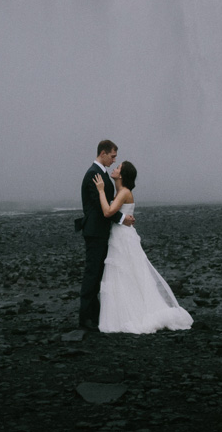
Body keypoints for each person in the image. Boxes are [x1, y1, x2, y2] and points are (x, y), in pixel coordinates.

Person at [92, 159, 193, 333]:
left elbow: (108, 212)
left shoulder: (124, 192)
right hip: (120, 235)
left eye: (118, 168)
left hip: (123, 238)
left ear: (122, 175)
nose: (114, 169)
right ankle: (123, 312)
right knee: (125, 273)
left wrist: (100, 190)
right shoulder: (120, 192)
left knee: (129, 272)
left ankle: (132, 313)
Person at [77, 139, 119, 332]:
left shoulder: (99, 173)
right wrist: (122, 218)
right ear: (103, 153)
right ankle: (85, 317)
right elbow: (103, 207)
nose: (113, 160)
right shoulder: (94, 174)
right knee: (92, 273)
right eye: (112, 156)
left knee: (96, 273)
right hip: (95, 232)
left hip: (98, 231)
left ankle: (93, 315)